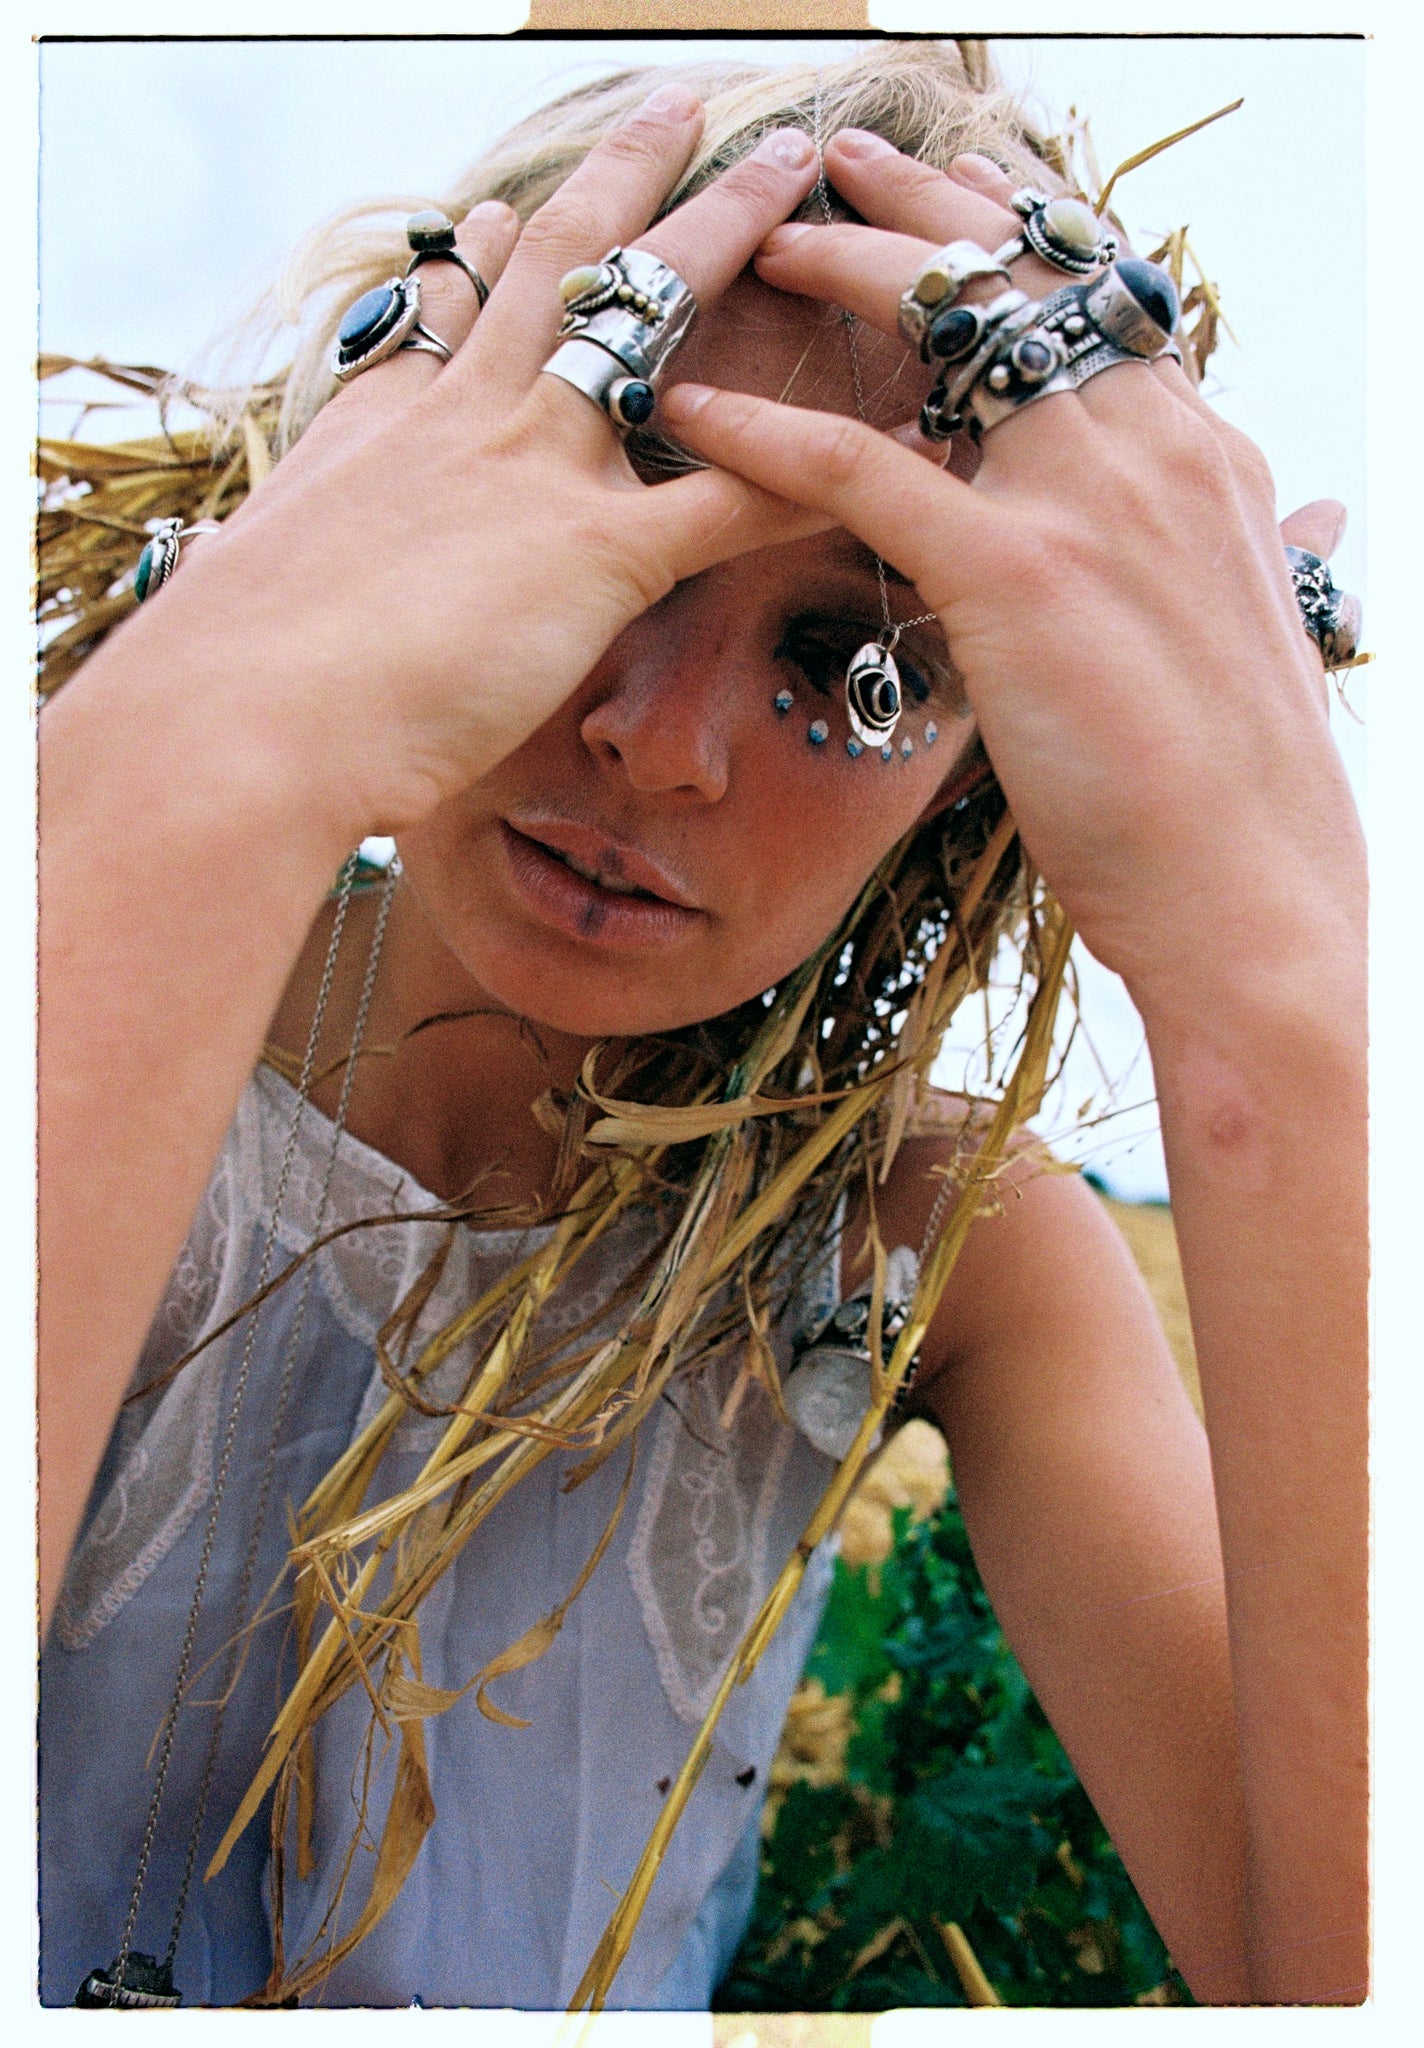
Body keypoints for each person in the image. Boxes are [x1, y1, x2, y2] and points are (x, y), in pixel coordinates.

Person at [38, 41, 1366, 2011]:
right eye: (605, 521)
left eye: (848, 660)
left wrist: (1284, 998)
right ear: (387, 495)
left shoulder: (935, 1238)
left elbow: (1323, 1968)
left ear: (987, 774)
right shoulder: (88, 973)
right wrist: (190, 770)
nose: (655, 747)